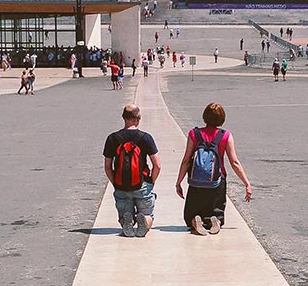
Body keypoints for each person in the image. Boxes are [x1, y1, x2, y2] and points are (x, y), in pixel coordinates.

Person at [175, 102, 252, 235]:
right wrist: (247, 183)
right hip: (217, 179)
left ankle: (195, 221)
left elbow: (186, 161)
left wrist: (179, 182)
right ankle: (214, 220)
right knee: (216, 210)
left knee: (191, 214)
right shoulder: (225, 135)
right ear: (222, 118)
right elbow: (234, 162)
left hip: (196, 180)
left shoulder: (194, 134)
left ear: (205, 116)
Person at [103, 104, 161, 238]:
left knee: (124, 214)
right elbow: (157, 165)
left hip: (121, 185)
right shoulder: (146, 138)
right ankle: (144, 222)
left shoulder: (112, 138)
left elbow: (107, 167)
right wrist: (151, 182)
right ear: (138, 118)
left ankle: (126, 220)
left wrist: (116, 183)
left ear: (123, 118)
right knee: (148, 215)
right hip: (142, 184)